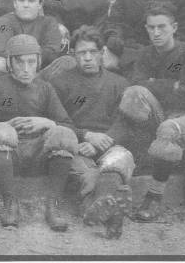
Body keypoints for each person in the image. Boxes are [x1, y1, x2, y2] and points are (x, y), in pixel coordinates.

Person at [106, 3, 185, 222]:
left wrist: (155, 83)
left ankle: (154, 197)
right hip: (168, 109)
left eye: (161, 27)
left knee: (167, 129)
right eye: (151, 27)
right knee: (134, 94)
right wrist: (171, 85)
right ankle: (135, 160)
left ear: (174, 27)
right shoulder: (146, 54)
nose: (156, 33)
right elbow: (137, 83)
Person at [0, 34, 79, 231]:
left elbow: (68, 125)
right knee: (0, 132)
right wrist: (6, 125)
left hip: (38, 153)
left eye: (31, 62)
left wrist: (45, 122)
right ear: (9, 63)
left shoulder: (45, 88)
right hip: (9, 153)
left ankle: (52, 206)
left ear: (38, 62)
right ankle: (10, 204)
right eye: (19, 62)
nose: (26, 69)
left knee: (63, 135)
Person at [49, 26, 133, 239]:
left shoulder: (119, 83)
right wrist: (84, 136)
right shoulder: (60, 82)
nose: (87, 58)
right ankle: (108, 211)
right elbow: (57, 120)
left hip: (109, 144)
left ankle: (98, 209)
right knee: (85, 172)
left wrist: (101, 142)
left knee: (120, 161)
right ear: (74, 55)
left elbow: (124, 122)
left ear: (102, 52)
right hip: (77, 146)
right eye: (81, 53)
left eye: (92, 52)